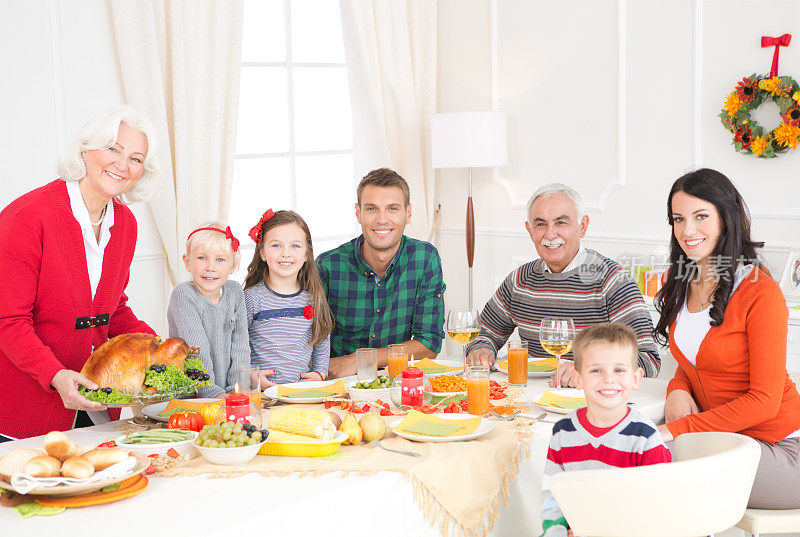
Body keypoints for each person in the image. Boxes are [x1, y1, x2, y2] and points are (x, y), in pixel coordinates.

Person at [0, 106, 160, 440]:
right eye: (113, 149)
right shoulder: (27, 218)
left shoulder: (126, 224)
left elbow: (111, 310)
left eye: (136, 158)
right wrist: (55, 374)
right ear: (85, 150)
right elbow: (8, 321)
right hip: (28, 414)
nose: (122, 165)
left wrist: (161, 351)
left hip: (97, 406)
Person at [654, 168, 800, 509]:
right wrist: (677, 387)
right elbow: (694, 358)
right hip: (725, 439)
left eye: (701, 216)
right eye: (678, 219)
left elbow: (764, 400)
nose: (687, 230)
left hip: (781, 448)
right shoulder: (681, 282)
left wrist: (678, 430)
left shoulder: (759, 293)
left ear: (726, 218)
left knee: (651, 463)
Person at [467, 183, 659, 387]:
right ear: (530, 230)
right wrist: (482, 349)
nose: (550, 235)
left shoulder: (613, 280)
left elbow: (648, 360)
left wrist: (590, 369)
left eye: (561, 222)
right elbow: (482, 334)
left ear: (582, 226)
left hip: (591, 403)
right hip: (530, 398)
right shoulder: (519, 280)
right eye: (540, 224)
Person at [540, 323, 671, 537]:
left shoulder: (645, 437)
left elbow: (657, 509)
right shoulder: (563, 432)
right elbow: (552, 497)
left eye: (619, 370)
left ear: (635, 378)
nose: (608, 379)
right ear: (578, 378)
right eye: (596, 370)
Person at [316, 168, 446, 378]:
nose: (382, 219)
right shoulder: (328, 265)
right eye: (371, 209)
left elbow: (429, 343)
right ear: (358, 213)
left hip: (396, 381)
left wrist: (359, 360)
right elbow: (305, 340)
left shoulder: (425, 258)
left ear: (408, 213)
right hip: (337, 384)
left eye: (392, 209)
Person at [244, 209, 333, 386]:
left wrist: (320, 372)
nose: (286, 253)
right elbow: (237, 344)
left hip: (301, 392)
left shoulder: (314, 298)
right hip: (262, 393)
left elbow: (322, 337)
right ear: (262, 252)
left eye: (295, 246)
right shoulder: (251, 298)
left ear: (307, 254)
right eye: (276, 245)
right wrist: (250, 374)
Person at [167, 223, 250, 397]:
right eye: (202, 258)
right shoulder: (183, 294)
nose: (210, 267)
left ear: (232, 265)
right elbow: (197, 351)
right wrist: (212, 392)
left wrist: (238, 388)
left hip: (226, 394)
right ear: (187, 262)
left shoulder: (235, 292)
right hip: (193, 395)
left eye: (220, 260)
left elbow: (240, 347)